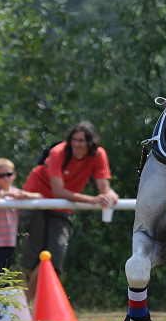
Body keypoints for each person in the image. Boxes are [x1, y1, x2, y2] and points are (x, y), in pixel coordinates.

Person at [19, 121, 119, 303]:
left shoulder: (98, 154)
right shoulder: (58, 151)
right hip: (36, 197)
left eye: (81, 140)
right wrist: (92, 200)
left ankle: (27, 301)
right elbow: (58, 191)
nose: (76, 144)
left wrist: (110, 194)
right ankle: (31, 304)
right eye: (74, 139)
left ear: (90, 143)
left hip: (62, 206)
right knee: (34, 255)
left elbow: (104, 187)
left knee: (53, 255)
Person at [0, 159, 42, 281]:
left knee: (5, 276)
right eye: (1, 175)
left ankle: (1, 300)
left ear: (14, 174)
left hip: (10, 241)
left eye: (8, 174)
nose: (5, 178)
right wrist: (6, 194)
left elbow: (39, 196)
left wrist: (26, 195)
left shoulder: (16, 191)